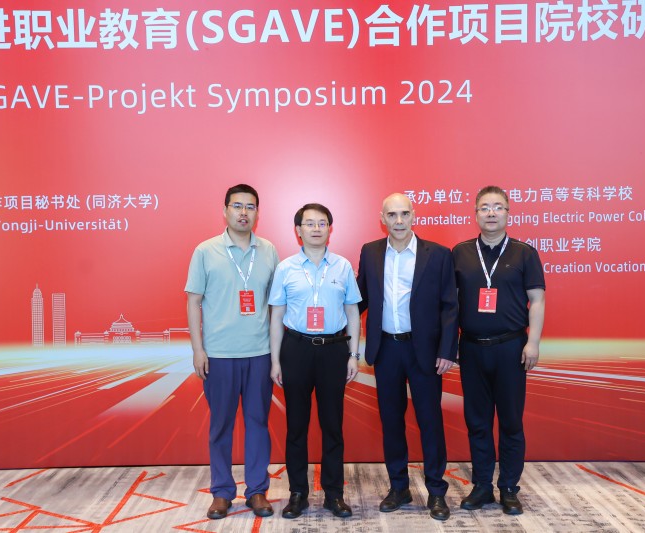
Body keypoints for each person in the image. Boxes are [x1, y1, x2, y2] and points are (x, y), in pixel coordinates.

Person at [356, 193, 459, 521]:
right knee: (391, 421)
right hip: (386, 349)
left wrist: (447, 350)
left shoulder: (438, 255)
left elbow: (450, 306)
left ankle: (437, 491)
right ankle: (399, 487)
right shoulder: (371, 252)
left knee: (430, 421)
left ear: (414, 215)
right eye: (392, 215)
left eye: (404, 214)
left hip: (425, 351)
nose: (398, 221)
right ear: (382, 218)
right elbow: (359, 299)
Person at [184, 184, 279, 520]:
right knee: (221, 426)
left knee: (258, 424)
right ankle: (222, 493)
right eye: (237, 206)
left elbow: (276, 306)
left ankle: (257, 491)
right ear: (225, 210)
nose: (243, 213)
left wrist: (276, 355)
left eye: (250, 207)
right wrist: (198, 350)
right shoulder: (205, 251)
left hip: (259, 353)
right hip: (219, 355)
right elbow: (193, 302)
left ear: (257, 213)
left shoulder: (268, 250)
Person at [452, 185, 546, 515]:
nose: (491, 213)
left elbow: (537, 300)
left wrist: (533, 342)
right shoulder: (460, 253)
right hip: (472, 349)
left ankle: (508, 487)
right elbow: (450, 304)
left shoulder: (524, 253)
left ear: (508, 212)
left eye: (498, 207)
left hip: (511, 348)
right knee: (477, 422)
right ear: (475, 213)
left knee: (510, 422)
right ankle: (481, 486)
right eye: (485, 207)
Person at [269, 203, 362, 519]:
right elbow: (277, 316)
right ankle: (298, 494)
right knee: (296, 426)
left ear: (330, 229)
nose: (316, 228)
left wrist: (353, 355)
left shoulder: (343, 266)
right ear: (298, 230)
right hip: (296, 349)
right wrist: (275, 361)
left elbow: (352, 312)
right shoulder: (286, 268)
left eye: (322, 223)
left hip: (334, 350)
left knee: (332, 426)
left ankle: (334, 495)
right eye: (309, 223)